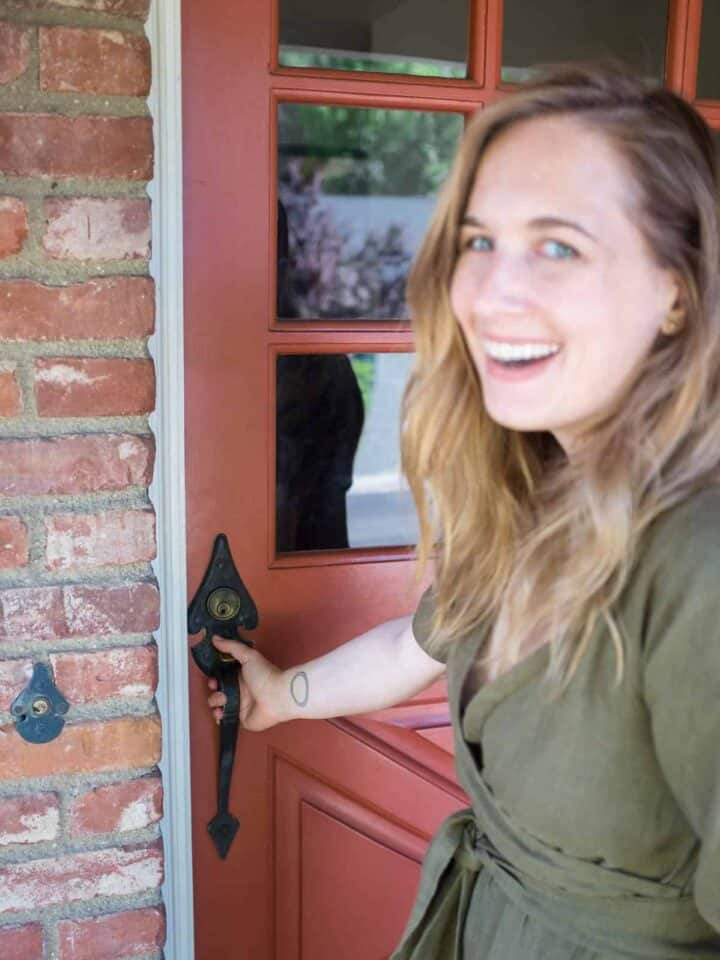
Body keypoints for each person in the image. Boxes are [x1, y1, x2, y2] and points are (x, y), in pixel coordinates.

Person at [207, 63, 720, 958]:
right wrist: (280, 696)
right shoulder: (541, 495)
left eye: (558, 246)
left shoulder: (697, 558)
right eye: (480, 241)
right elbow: (419, 644)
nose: (489, 292)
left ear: (677, 291)